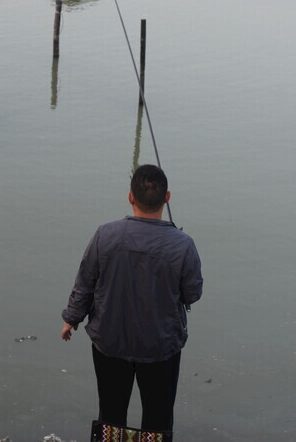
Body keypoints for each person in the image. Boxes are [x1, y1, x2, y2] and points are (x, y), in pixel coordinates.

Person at [60, 164, 203, 433]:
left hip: (110, 342)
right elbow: (192, 293)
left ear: (130, 197)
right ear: (167, 197)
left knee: (111, 414)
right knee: (158, 419)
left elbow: (85, 281)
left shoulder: (105, 234)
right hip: (161, 347)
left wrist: (71, 318)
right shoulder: (183, 244)